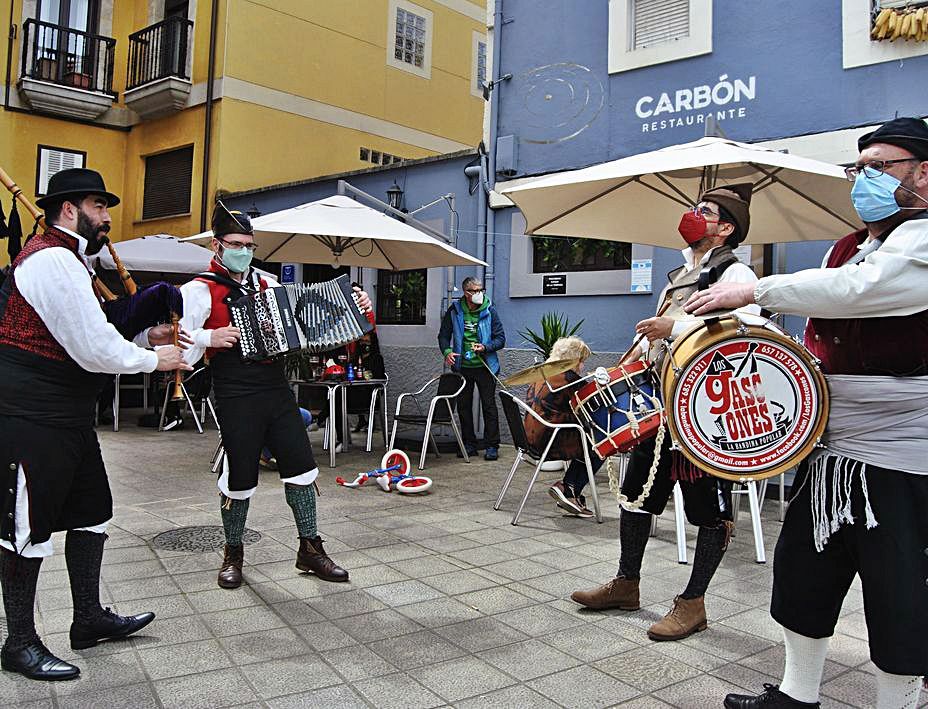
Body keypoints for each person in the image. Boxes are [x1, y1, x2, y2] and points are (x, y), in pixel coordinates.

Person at [686, 118, 928, 709]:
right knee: (804, 574)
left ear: (923, 172)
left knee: (899, 592)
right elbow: (821, 311)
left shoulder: (923, 239)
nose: (863, 178)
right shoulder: (847, 245)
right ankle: (796, 695)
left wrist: (755, 291)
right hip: (829, 441)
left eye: (880, 166)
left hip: (903, 449)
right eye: (858, 168)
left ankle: (897, 702)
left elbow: (864, 291)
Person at [0, 168, 189, 681]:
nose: (107, 217)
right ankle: (18, 642)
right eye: (99, 207)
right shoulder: (53, 261)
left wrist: (148, 337)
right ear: (69, 210)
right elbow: (93, 349)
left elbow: (94, 332)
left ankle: (87, 619)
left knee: (92, 511)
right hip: (31, 417)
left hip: (67, 417)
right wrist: (158, 360)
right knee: (27, 529)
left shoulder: (71, 261)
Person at [571, 183, 761, 642]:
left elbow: (748, 325)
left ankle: (693, 603)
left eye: (705, 211)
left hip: (705, 411)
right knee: (636, 494)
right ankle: (626, 584)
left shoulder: (737, 273)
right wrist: (627, 362)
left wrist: (674, 325)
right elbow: (659, 336)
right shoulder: (678, 273)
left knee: (708, 511)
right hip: (659, 401)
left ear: (725, 227)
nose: (694, 215)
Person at [179, 202, 363, 589]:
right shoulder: (197, 290)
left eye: (249, 244)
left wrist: (355, 307)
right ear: (217, 246)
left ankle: (310, 549)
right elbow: (177, 344)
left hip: (276, 387)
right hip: (233, 389)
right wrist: (208, 337)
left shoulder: (269, 284)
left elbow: (311, 323)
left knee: (301, 466)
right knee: (240, 474)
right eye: (236, 243)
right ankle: (233, 554)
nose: (244, 250)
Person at [522, 336, 603, 517]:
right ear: (574, 360)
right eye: (582, 361)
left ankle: (569, 488)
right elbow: (590, 407)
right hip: (549, 440)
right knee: (600, 444)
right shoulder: (569, 379)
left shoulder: (542, 372)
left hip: (528, 437)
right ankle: (569, 489)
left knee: (589, 439)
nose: (582, 366)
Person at [438, 276, 506, 461]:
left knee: (489, 406)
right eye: (474, 291)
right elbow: (443, 336)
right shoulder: (455, 310)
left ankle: (492, 445)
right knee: (464, 407)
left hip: (485, 367)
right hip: (463, 367)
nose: (478, 294)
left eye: (480, 290)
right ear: (466, 292)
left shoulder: (490, 310)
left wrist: (485, 347)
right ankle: (469, 444)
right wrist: (447, 352)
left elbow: (501, 339)